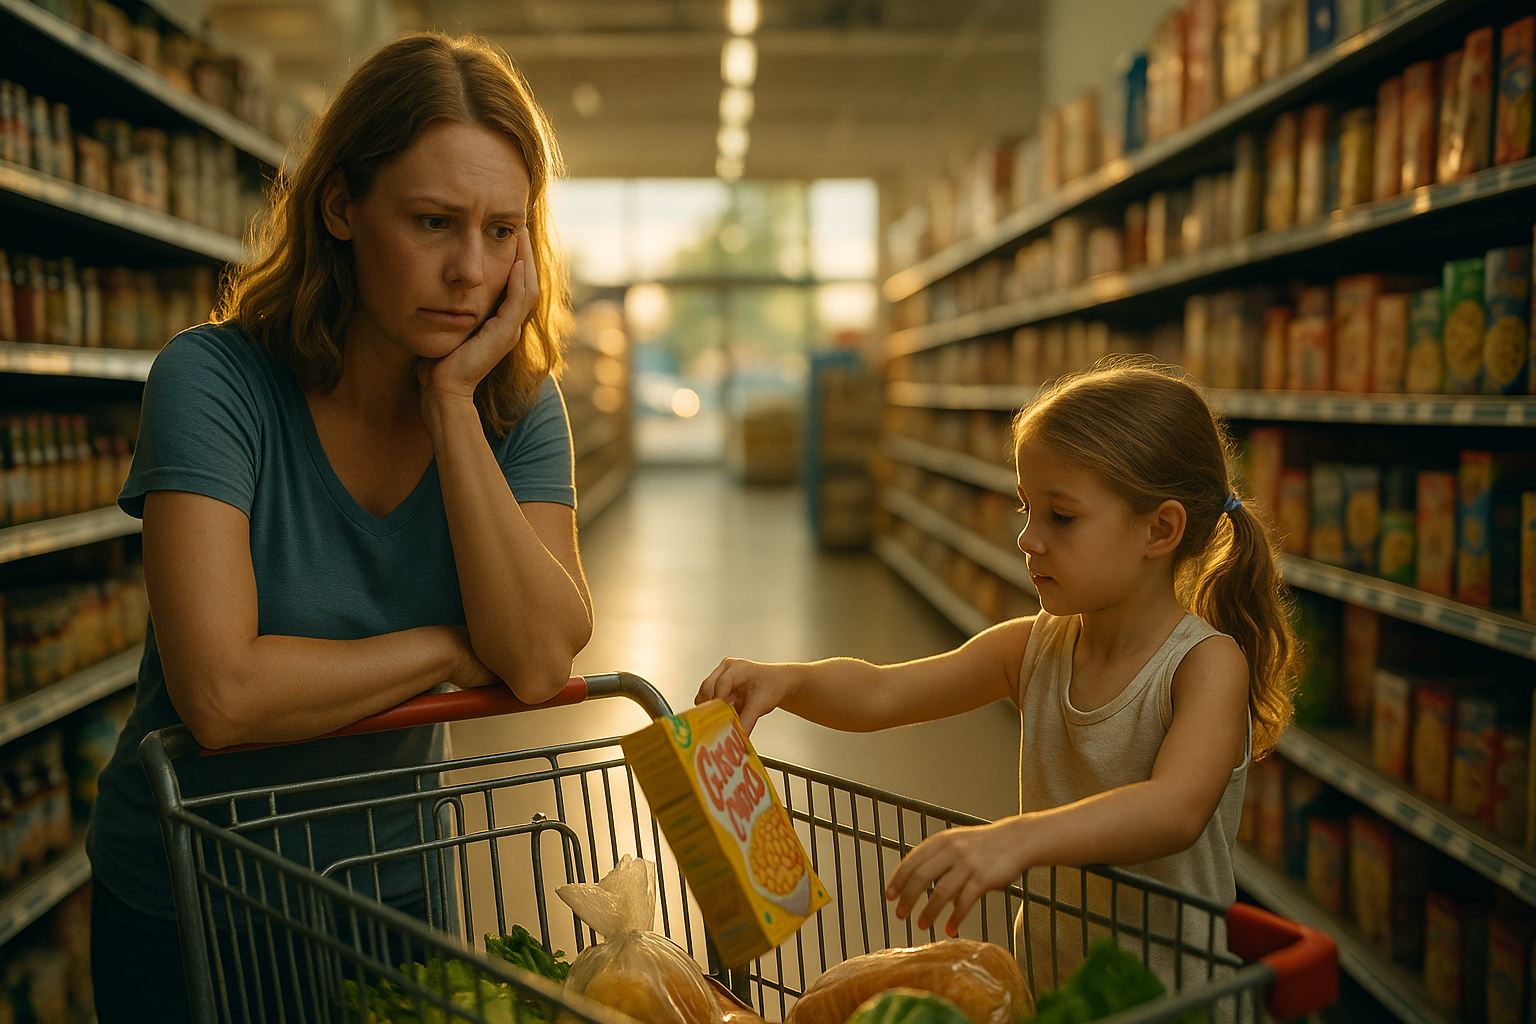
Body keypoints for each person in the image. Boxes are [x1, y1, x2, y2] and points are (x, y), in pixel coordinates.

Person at [85, 33, 592, 1023]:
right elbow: (224, 696)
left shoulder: (516, 407)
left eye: (501, 231)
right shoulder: (214, 382)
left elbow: (534, 661)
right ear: (341, 208)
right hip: (192, 903)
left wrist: (452, 400)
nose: (469, 269)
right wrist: (447, 647)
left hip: (393, 896)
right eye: (434, 222)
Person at [698, 356, 1296, 992]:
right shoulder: (1030, 650)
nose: (1028, 538)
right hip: (1047, 987)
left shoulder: (1203, 665)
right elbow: (882, 691)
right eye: (1027, 509)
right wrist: (790, 680)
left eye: (1060, 516)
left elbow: (1174, 810)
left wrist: (1015, 841)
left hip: (1171, 1002)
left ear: (1160, 528)